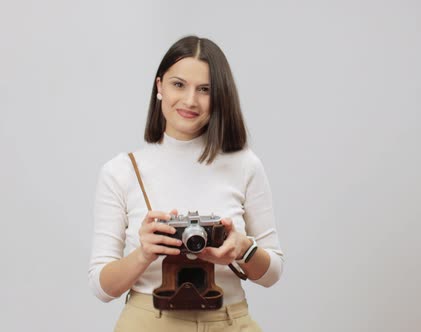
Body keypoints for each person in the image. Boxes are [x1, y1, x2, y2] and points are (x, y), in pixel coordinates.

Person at [88, 35, 284, 331]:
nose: (190, 100)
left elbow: (271, 274)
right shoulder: (122, 171)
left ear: (220, 97)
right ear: (159, 87)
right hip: (149, 322)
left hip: (229, 319)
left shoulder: (245, 165)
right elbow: (102, 288)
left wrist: (241, 248)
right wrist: (144, 254)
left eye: (205, 89)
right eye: (178, 84)